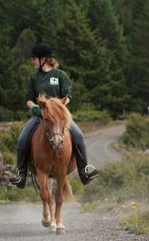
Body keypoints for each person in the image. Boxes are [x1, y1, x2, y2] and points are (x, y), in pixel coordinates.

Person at [12, 42, 99, 188]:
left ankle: (84, 171)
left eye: (34, 58)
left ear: (44, 59)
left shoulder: (60, 75)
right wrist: (34, 107)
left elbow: (68, 96)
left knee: (79, 137)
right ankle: (21, 174)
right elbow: (28, 99)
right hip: (40, 115)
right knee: (22, 140)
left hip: (59, 116)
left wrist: (57, 108)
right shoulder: (34, 77)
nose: (33, 61)